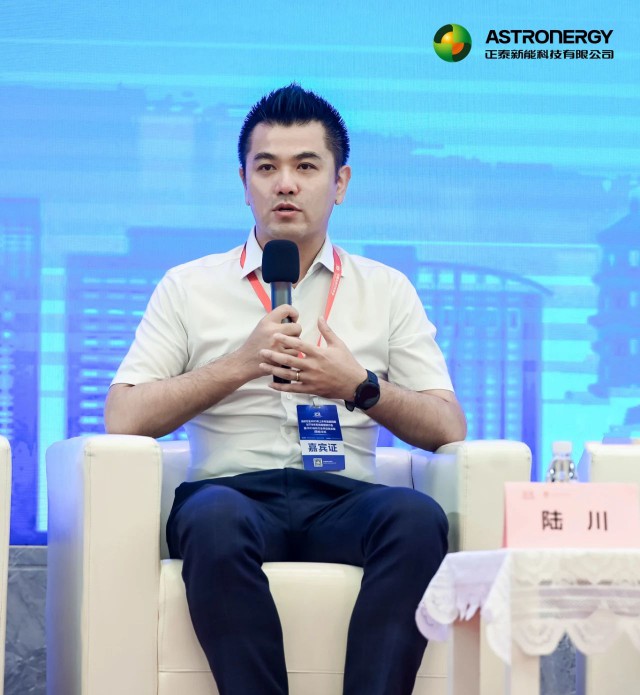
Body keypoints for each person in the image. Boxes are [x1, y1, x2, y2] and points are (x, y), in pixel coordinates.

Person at [105, 83, 467, 695]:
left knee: (416, 517)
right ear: (243, 181)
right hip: (231, 494)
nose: (285, 185)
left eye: (306, 166)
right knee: (213, 517)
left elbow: (447, 425)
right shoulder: (188, 286)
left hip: (344, 498)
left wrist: (358, 386)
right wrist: (239, 365)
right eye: (267, 167)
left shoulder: (386, 289)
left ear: (340, 182)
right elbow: (124, 415)